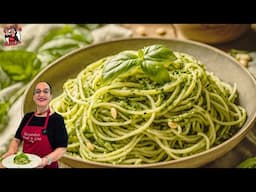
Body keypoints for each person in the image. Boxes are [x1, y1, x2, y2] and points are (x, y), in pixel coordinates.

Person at [1, 81, 68, 168]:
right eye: (38, 92)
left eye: (45, 91)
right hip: (26, 165)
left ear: (50, 96)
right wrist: (11, 151)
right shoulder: (27, 117)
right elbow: (16, 140)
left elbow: (62, 149)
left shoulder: (57, 119)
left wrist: (45, 160)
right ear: (34, 97)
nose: (41, 94)